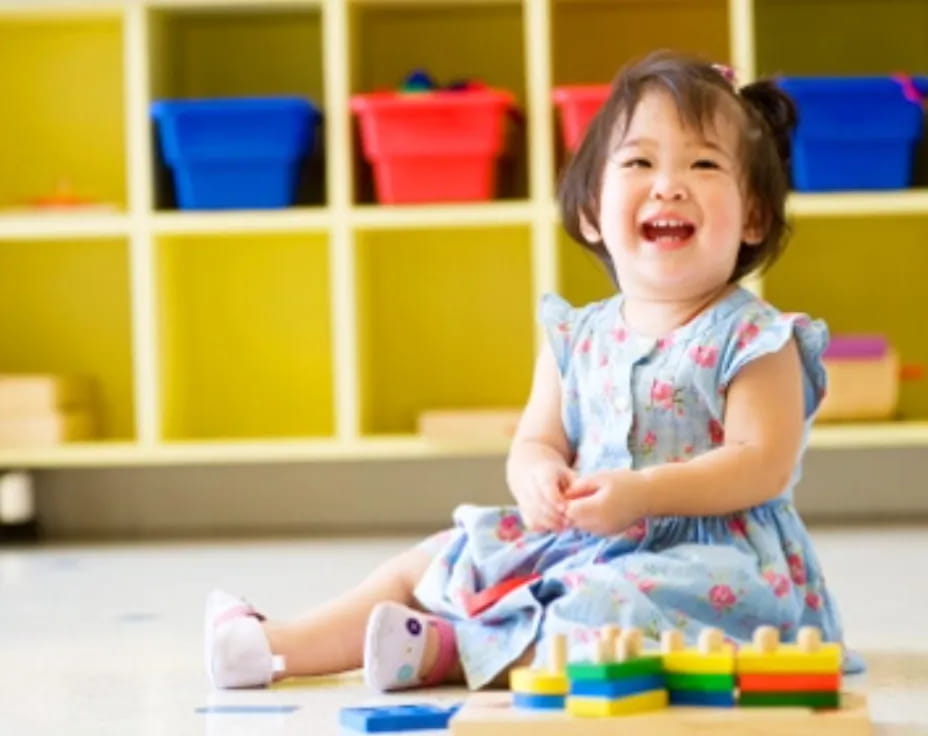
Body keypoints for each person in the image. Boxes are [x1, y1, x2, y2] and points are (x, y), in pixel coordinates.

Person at [205, 50, 860, 692]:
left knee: (606, 607)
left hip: (707, 560)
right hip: (579, 540)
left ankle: (446, 651)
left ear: (753, 217)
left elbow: (760, 462)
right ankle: (278, 645)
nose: (668, 183)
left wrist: (647, 493)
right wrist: (538, 478)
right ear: (589, 213)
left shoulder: (756, 337)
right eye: (639, 161)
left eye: (704, 163)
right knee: (443, 556)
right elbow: (537, 440)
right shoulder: (577, 337)